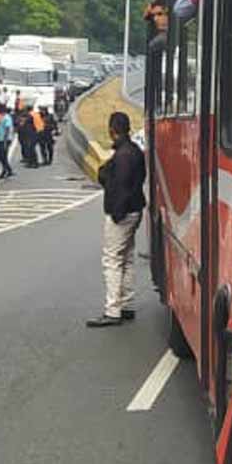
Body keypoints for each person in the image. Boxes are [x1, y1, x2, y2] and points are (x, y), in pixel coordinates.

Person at [87, 111, 147, 328]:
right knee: (127, 257)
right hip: (135, 210)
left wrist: (116, 213)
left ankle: (113, 310)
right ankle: (127, 304)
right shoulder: (135, 151)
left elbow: (119, 186)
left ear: (112, 130)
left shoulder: (122, 156)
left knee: (111, 260)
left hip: (121, 213)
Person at [0, 103, 15, 179]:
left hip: (4, 140)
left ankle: (7, 171)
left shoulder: (6, 118)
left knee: (3, 156)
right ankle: (7, 170)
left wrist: (5, 141)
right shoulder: (2, 117)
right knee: (2, 157)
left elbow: (7, 129)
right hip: (1, 139)